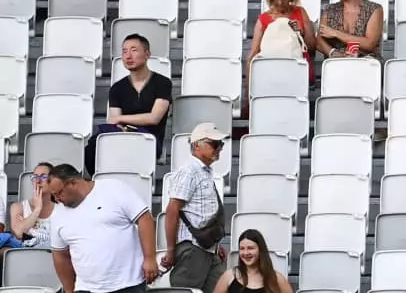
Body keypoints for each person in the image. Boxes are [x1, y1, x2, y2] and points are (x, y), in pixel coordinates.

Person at [45, 164, 159, 293]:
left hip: (128, 283)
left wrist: (149, 258)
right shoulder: (57, 215)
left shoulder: (113, 188)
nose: (57, 199)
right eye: (53, 196)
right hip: (86, 288)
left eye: (59, 193)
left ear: (73, 183)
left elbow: (144, 218)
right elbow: (60, 255)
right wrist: (69, 290)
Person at [86, 35, 173, 176]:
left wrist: (122, 119)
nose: (128, 56)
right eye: (124, 51)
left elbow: (154, 118)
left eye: (134, 50)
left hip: (149, 140)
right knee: (93, 145)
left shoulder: (162, 83)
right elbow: (114, 120)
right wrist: (120, 121)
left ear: (147, 54)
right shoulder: (117, 88)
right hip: (121, 135)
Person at [160, 124, 226, 293]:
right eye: (214, 144)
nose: (219, 148)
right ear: (197, 145)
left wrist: (215, 245)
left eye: (221, 144)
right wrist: (171, 250)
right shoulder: (189, 170)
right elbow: (172, 210)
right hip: (194, 248)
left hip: (206, 247)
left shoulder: (202, 171)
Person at [247, 0, 314, 80]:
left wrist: (300, 32)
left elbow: (312, 46)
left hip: (296, 71)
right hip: (271, 72)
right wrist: (248, 92)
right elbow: (253, 55)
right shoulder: (263, 19)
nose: (280, 2)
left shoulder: (301, 12)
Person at [212, 230, 292, 293]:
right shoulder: (229, 276)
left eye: (250, 248)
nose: (246, 253)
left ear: (260, 250)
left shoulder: (277, 278)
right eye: (242, 248)